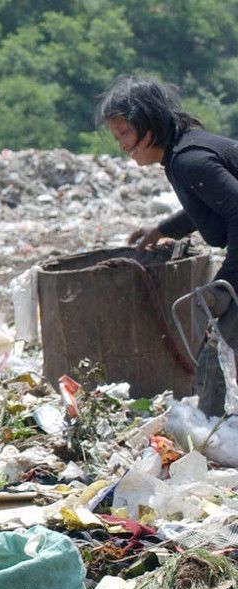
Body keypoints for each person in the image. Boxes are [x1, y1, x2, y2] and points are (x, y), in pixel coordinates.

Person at [96, 75, 238, 415]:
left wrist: (227, 282)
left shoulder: (190, 160)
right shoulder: (181, 155)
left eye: (126, 134)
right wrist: (161, 229)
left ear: (149, 125)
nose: (123, 146)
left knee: (218, 336)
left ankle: (211, 426)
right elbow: (209, 205)